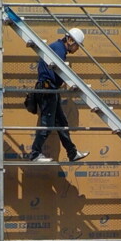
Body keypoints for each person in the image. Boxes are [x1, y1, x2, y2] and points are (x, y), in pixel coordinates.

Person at [28, 27, 90, 163]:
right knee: (47, 124)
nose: (77, 49)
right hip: (48, 90)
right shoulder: (59, 49)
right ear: (70, 40)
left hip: (51, 90)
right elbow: (57, 73)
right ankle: (34, 154)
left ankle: (72, 153)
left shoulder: (58, 48)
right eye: (77, 46)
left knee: (62, 124)